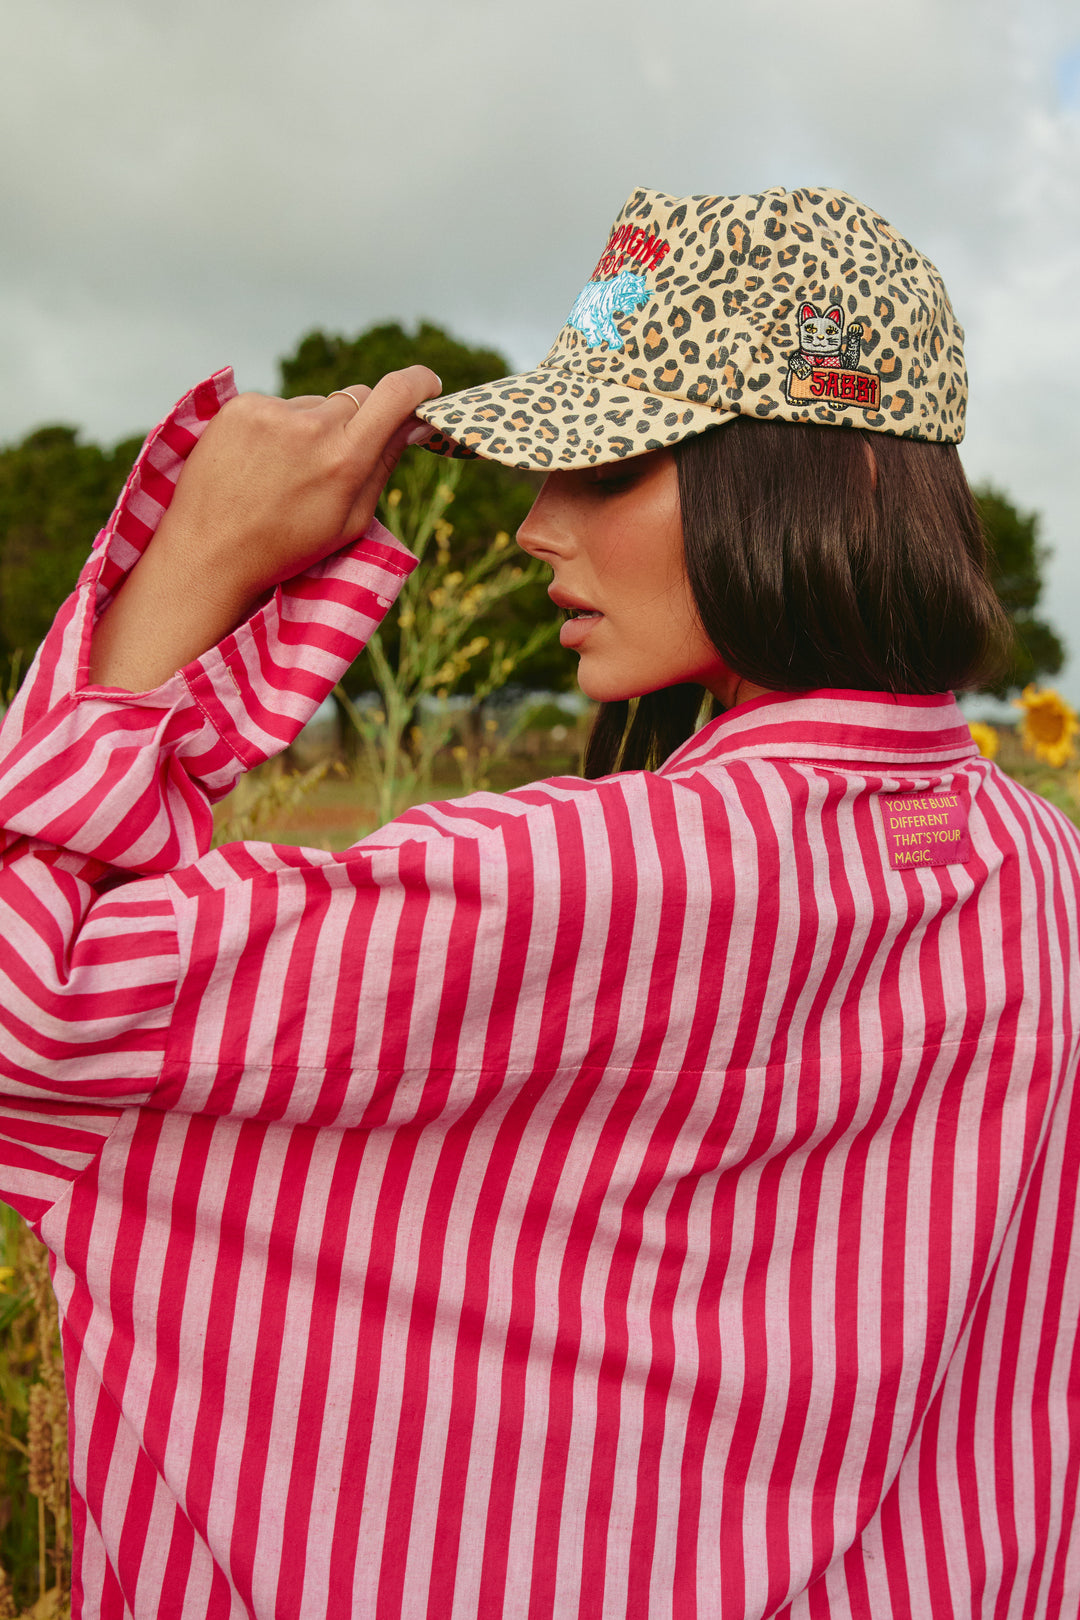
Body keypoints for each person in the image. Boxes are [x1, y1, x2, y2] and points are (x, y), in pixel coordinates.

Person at [0, 184, 1077, 1619]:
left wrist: (190, 574)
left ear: (846, 483)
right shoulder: (1045, 876)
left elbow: (37, 1020)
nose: (537, 530)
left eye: (611, 469)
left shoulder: (555, 884)